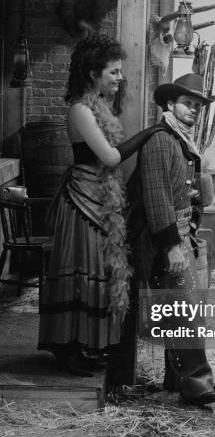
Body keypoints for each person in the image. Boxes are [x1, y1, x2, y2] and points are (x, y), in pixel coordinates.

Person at [38, 34, 149, 376]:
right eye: (113, 71)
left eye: (120, 71)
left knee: (98, 272)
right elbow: (110, 156)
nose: (120, 77)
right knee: (79, 271)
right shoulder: (80, 109)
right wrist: (150, 133)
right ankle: (66, 347)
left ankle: (86, 345)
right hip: (81, 201)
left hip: (101, 199)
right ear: (92, 74)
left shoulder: (99, 107)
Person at [127, 73, 215, 406]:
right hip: (161, 239)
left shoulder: (180, 141)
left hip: (181, 233)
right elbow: (156, 198)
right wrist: (170, 246)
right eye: (187, 104)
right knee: (186, 311)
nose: (194, 110)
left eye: (197, 105)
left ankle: (179, 378)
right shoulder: (160, 141)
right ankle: (197, 383)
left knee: (181, 309)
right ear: (170, 104)